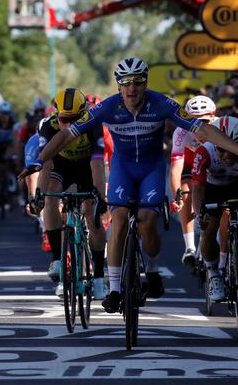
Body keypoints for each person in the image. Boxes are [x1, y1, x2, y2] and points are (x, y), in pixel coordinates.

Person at [20, 57, 238, 313]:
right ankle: (113, 289)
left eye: (137, 82)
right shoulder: (107, 108)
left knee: (146, 222)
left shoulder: (161, 103)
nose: (132, 89)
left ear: (145, 83)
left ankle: (153, 272)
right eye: (126, 83)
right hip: (124, 169)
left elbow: (203, 130)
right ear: (119, 86)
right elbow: (66, 135)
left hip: (151, 169)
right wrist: (39, 160)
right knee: (120, 220)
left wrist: (234, 148)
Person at [33, 88, 107, 299]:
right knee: (50, 197)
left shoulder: (94, 124)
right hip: (61, 165)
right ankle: (57, 259)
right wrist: (39, 192)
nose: (69, 124)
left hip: (86, 166)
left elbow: (97, 164)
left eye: (75, 118)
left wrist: (100, 196)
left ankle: (99, 278)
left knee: (92, 216)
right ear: (56, 114)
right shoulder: (48, 126)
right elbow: (45, 161)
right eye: (65, 119)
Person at [192, 116, 238, 302]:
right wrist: (199, 214)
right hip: (212, 189)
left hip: (236, 186)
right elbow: (197, 188)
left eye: (230, 150)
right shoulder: (204, 152)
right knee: (209, 230)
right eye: (220, 149)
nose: (225, 156)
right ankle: (214, 274)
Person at [169, 96, 217, 266]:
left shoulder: (222, 127)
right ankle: (189, 247)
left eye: (204, 121)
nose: (199, 127)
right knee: (186, 193)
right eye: (194, 121)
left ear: (213, 117)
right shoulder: (181, 132)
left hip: (213, 163)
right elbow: (176, 167)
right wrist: (177, 195)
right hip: (190, 161)